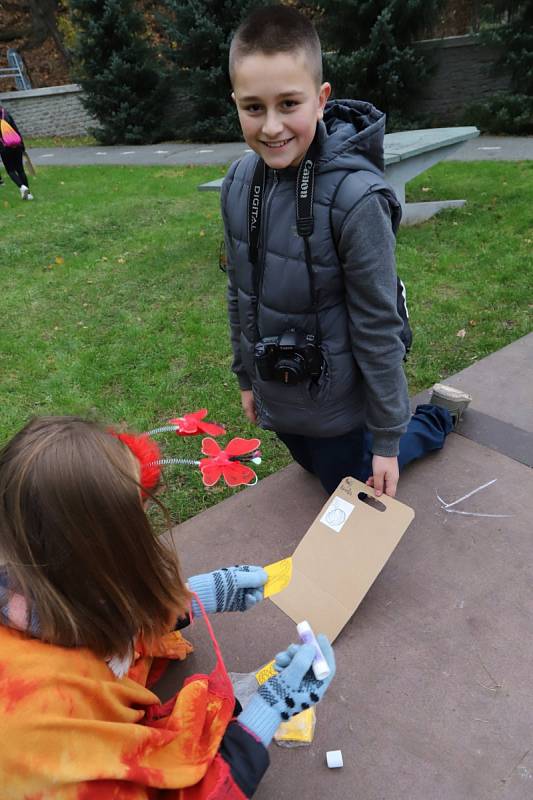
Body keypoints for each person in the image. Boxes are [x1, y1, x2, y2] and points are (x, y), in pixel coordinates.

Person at [0, 416, 335, 798]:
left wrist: (197, 598)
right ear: (91, 555)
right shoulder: (43, 726)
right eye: (137, 529)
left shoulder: (30, 579)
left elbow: (92, 623)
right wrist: (269, 710)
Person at [222, 5, 471, 498]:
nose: (271, 126)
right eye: (254, 108)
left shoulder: (357, 200)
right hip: (285, 397)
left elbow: (379, 325)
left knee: (355, 480)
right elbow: (239, 291)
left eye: (288, 104)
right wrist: (247, 378)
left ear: (321, 99)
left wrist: (384, 439)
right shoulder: (237, 183)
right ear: (236, 103)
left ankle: (432, 420)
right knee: (317, 471)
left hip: (340, 407)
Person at [0, 105, 33, 200]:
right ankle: (29, 194)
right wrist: (22, 145)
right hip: (16, 145)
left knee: (10, 170)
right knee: (20, 170)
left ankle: (22, 187)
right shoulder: (6, 114)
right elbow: (16, 130)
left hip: (4, 148)